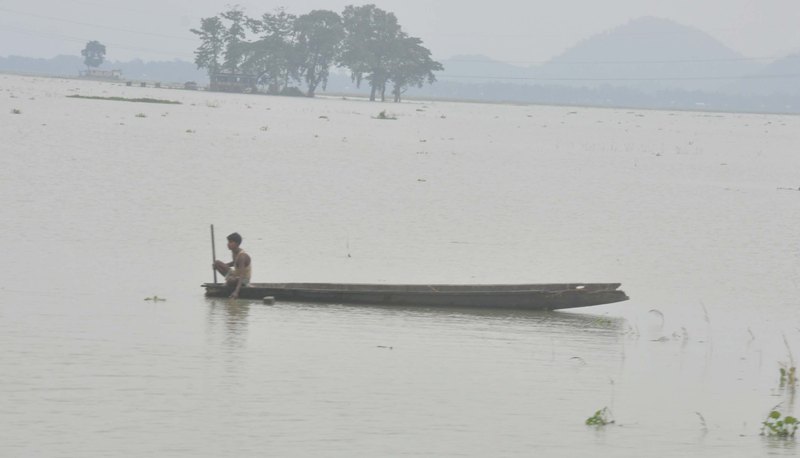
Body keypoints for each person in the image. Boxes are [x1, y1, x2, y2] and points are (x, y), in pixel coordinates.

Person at [213, 232, 251, 299]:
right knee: (216, 263)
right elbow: (234, 263)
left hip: (243, 279)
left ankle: (230, 281)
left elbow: (242, 275)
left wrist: (236, 292)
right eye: (228, 242)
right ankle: (230, 280)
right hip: (235, 275)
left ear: (236, 244)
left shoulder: (242, 256)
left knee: (231, 280)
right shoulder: (234, 251)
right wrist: (222, 266)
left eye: (230, 242)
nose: (228, 244)